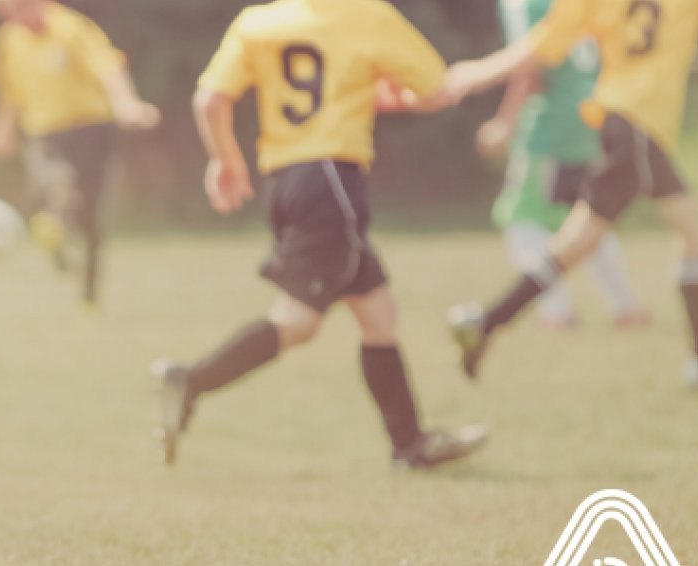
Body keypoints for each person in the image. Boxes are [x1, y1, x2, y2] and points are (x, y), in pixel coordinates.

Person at [153, 0, 488, 469]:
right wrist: (399, 92)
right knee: (300, 320)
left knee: (377, 310)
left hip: (287, 180)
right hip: (331, 179)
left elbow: (210, 99)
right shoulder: (365, 15)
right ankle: (191, 380)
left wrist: (224, 158)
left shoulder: (259, 21)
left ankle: (409, 443)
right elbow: (435, 89)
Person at [441, 0, 698, 388]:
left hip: (622, 121)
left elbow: (541, 47)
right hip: (641, 124)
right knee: (682, 229)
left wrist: (474, 73)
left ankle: (485, 323)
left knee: (592, 239)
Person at [480, 0, 650, 330]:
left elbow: (531, 68)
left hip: (550, 127)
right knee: (589, 214)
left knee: (522, 219)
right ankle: (624, 304)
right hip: (589, 118)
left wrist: (504, 122)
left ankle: (557, 311)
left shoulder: (526, 5)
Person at [0, 0, 160, 310]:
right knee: (54, 187)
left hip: (91, 129)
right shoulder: (9, 38)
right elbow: (11, 89)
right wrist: (1, 126)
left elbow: (108, 66)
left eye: (19, 8)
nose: (14, 17)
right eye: (7, 12)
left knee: (92, 218)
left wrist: (126, 103)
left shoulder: (71, 28)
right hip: (44, 132)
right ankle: (55, 232)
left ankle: (88, 294)